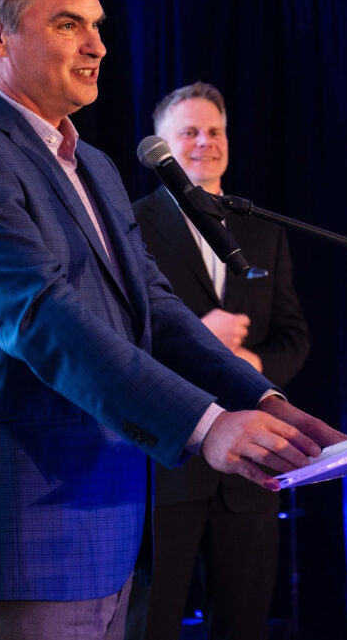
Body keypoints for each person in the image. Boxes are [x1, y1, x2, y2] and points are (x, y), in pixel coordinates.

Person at [0, 0, 344, 640]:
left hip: (111, 535)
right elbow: (45, 319)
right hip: (21, 535)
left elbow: (156, 308)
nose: (97, 45)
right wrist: (207, 424)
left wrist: (258, 397)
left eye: (97, 24)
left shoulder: (95, 165)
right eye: (68, 23)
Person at [125, 82, 310, 640]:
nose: (205, 142)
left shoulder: (264, 228)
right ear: (162, 143)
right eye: (190, 132)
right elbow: (117, 338)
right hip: (168, 464)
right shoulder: (130, 223)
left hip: (252, 468)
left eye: (215, 131)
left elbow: (294, 337)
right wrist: (199, 337)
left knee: (246, 625)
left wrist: (251, 364)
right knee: (150, 625)